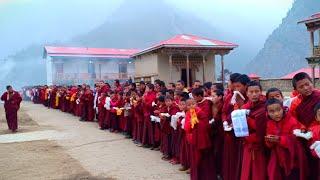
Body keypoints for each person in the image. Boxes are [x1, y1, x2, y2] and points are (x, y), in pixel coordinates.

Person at [265, 98, 308, 180]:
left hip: (293, 158)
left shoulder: (292, 121)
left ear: (283, 108)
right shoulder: (269, 123)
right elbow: (269, 144)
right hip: (278, 158)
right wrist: (269, 141)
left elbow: (297, 139)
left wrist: (280, 139)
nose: (276, 114)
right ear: (267, 113)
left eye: (278, 110)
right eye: (272, 111)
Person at [293, 72, 320, 179]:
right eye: (301, 86)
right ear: (296, 90)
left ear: (311, 82)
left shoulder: (318, 96)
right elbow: (294, 120)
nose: (306, 88)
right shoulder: (295, 103)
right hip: (306, 138)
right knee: (311, 167)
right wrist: (303, 128)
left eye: (307, 84)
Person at [240, 81, 267, 180]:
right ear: (247, 93)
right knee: (247, 169)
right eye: (251, 92)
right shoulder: (244, 108)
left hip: (260, 144)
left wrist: (247, 119)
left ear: (261, 92)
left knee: (259, 170)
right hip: (247, 143)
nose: (254, 94)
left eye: (257, 91)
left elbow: (264, 127)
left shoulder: (265, 106)